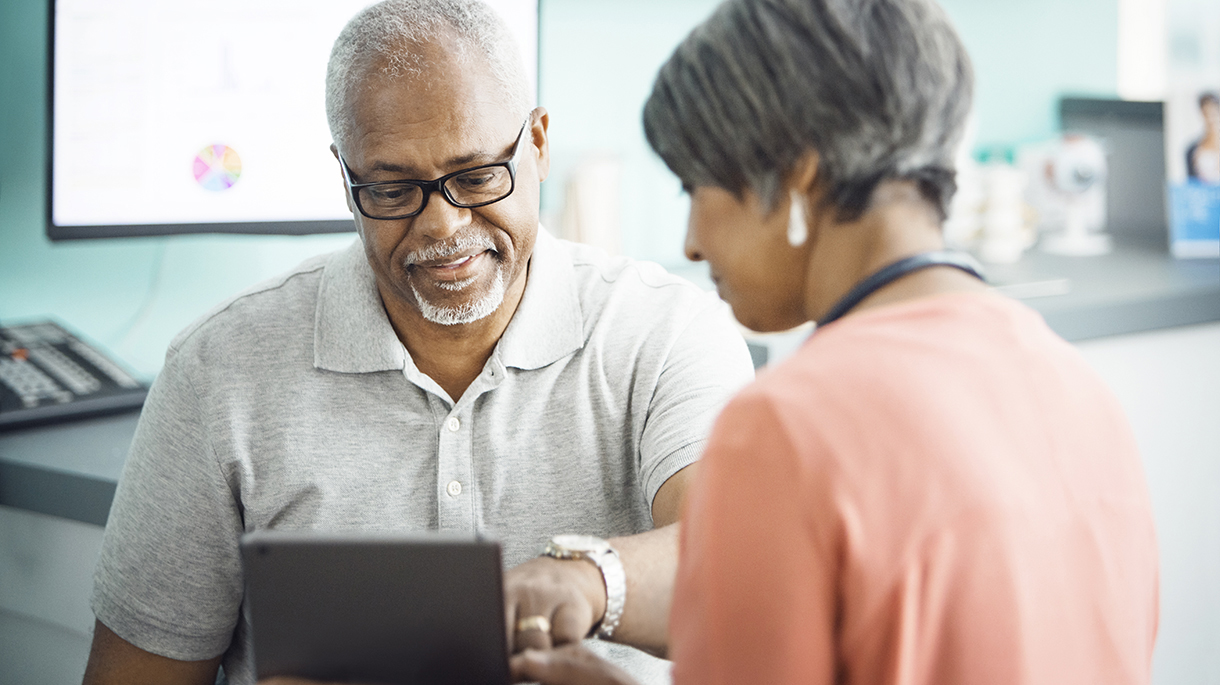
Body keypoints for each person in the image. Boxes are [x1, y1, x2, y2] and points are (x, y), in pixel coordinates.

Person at [81, 1, 754, 683]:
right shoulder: (216, 371)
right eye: (394, 188)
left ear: (540, 143)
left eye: (476, 175)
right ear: (346, 181)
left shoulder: (666, 332)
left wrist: (590, 581)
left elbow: (739, 569)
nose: (443, 223)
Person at [512, 0, 1160, 683]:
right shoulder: (1081, 391)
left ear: (799, 173)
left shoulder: (784, 428)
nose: (692, 242)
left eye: (694, 188)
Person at [1186, 92, 1220, 184]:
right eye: (1206, 113)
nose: (1211, 118)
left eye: (1214, 112)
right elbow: (1191, 182)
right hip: (1205, 195)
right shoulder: (1193, 150)